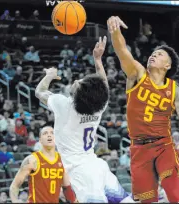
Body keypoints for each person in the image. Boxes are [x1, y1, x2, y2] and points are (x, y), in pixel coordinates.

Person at [107, 16, 179, 203]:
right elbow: (122, 50)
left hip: (163, 144)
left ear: (167, 65)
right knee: (148, 200)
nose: (153, 55)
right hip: (139, 148)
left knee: (172, 187)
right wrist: (115, 31)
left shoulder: (175, 90)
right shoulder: (137, 74)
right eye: (153, 53)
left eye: (159, 55)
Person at [35, 37, 134, 203]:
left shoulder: (64, 106)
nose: (76, 80)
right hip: (97, 165)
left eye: (79, 83)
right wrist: (97, 60)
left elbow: (39, 91)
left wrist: (49, 76)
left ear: (76, 96)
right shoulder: (99, 106)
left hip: (80, 173)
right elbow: (103, 85)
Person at [9, 126, 78, 203]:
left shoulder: (62, 160)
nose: (49, 135)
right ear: (40, 140)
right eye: (45, 133)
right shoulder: (32, 160)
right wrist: (15, 200)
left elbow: (66, 188)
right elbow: (15, 186)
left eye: (52, 133)